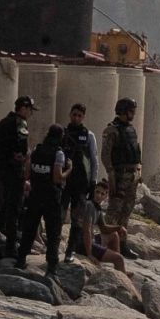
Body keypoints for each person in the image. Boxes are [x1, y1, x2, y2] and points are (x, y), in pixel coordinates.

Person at [17, 125, 70, 275]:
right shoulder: (58, 154)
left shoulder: (36, 150)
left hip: (35, 195)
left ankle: (21, 259)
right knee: (53, 233)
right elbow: (57, 177)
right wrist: (69, 170)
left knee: (29, 229)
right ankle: (52, 268)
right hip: (51, 198)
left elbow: (27, 173)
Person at [100, 97, 142, 260]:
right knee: (114, 211)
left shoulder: (131, 129)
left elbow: (135, 151)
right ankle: (105, 245)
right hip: (119, 175)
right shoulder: (112, 130)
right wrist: (111, 175)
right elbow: (105, 155)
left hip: (132, 175)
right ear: (124, 111)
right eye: (131, 111)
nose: (133, 114)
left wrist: (139, 172)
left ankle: (122, 245)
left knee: (126, 211)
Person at [0, 95, 35, 252]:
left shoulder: (3, 122)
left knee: (1, 207)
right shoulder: (20, 123)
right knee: (14, 208)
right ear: (23, 108)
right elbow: (21, 148)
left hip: (1, 171)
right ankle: (10, 247)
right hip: (14, 172)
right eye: (30, 110)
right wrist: (24, 156)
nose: (31, 114)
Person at [61, 103, 98, 262]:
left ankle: (70, 250)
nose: (76, 118)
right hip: (63, 181)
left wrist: (93, 181)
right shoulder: (63, 133)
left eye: (79, 116)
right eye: (74, 114)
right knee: (59, 215)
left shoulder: (88, 136)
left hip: (81, 183)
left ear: (83, 117)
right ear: (70, 114)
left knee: (77, 219)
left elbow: (94, 159)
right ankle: (54, 246)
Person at [74, 180, 126, 272]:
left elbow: (104, 228)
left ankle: (119, 270)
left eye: (102, 194)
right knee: (119, 259)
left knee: (114, 235)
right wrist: (89, 254)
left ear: (106, 196)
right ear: (93, 191)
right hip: (82, 245)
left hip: (91, 240)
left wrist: (119, 227)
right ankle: (121, 273)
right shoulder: (89, 205)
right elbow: (87, 231)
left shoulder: (97, 207)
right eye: (97, 192)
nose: (99, 195)